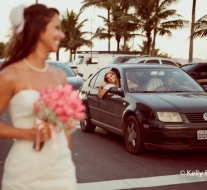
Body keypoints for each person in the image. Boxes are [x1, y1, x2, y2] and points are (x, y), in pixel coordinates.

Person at [0, 4, 77, 190]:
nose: (62, 35)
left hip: (62, 171)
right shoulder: (10, 75)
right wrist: (26, 133)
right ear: (38, 30)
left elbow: (65, 128)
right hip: (25, 173)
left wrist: (67, 160)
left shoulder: (59, 75)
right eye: (57, 28)